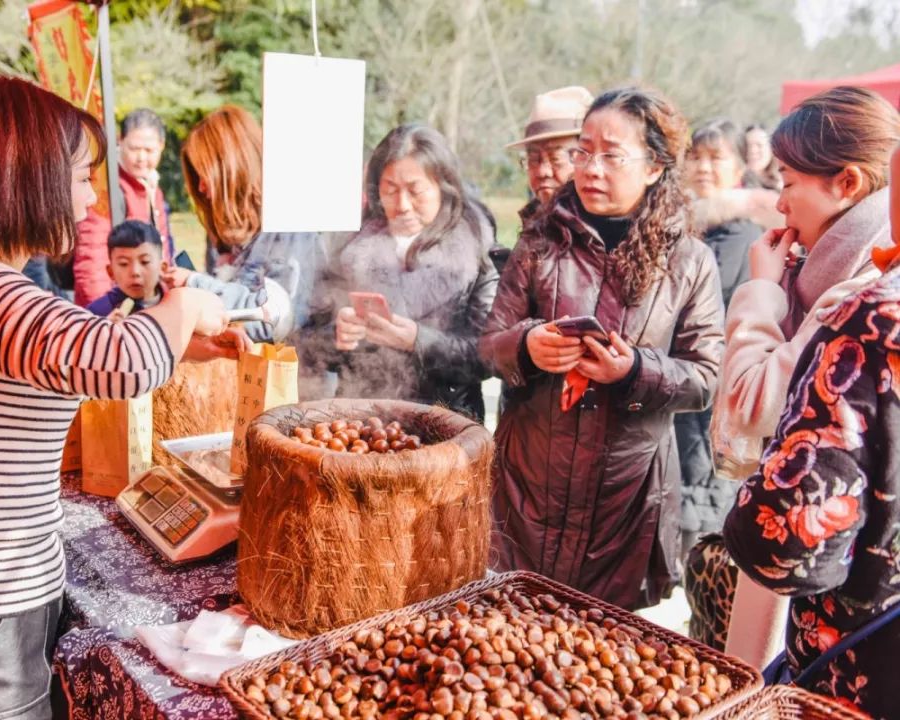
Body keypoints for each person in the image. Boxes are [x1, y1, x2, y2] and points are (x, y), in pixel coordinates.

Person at [0, 76, 240, 720]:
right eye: (79, 176)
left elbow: (68, 352)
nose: (92, 198)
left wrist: (177, 342)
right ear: (22, 182)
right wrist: (187, 305)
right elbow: (121, 364)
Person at [480, 87, 724, 610]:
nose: (591, 168)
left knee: (600, 657)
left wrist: (635, 369)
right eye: (584, 152)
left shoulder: (690, 261)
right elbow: (489, 343)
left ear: (655, 167)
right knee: (510, 631)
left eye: (612, 156)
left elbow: (706, 377)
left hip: (626, 496)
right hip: (529, 484)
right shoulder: (541, 241)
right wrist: (527, 347)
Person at [711, 86, 899, 670]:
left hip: (846, 624)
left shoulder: (860, 298)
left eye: (788, 181)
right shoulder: (834, 270)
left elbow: (757, 404)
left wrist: (762, 289)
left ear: (846, 184)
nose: (780, 203)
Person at [302, 123, 498, 421]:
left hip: (447, 421)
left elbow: (487, 355)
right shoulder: (351, 247)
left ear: (444, 188)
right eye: (390, 190)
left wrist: (417, 339)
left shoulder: (477, 249)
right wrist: (337, 336)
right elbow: (309, 342)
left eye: (415, 191)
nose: (402, 205)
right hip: (362, 420)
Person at [677, 120, 760, 549]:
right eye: (695, 156)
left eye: (716, 157)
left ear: (740, 171)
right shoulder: (690, 226)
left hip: (710, 407)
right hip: (682, 399)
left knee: (701, 530)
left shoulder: (744, 238)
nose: (703, 167)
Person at [179, 105, 323, 342]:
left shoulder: (290, 228)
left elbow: (273, 322)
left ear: (234, 170)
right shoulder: (221, 229)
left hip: (295, 373)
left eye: (205, 176)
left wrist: (193, 283)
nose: (201, 188)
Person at [73, 108, 174, 306]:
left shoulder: (152, 186)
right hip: (117, 307)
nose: (141, 158)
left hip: (148, 303)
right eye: (135, 149)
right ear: (120, 141)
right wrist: (102, 315)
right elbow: (91, 258)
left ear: (161, 147)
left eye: (149, 150)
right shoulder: (107, 188)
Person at [507, 86, 594, 226]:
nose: (542, 172)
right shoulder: (533, 226)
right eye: (533, 160)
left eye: (555, 158)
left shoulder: (613, 232)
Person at [744, 122, 781, 191]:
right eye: (747, 145)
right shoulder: (737, 185)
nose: (752, 150)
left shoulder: (785, 181)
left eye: (759, 145)